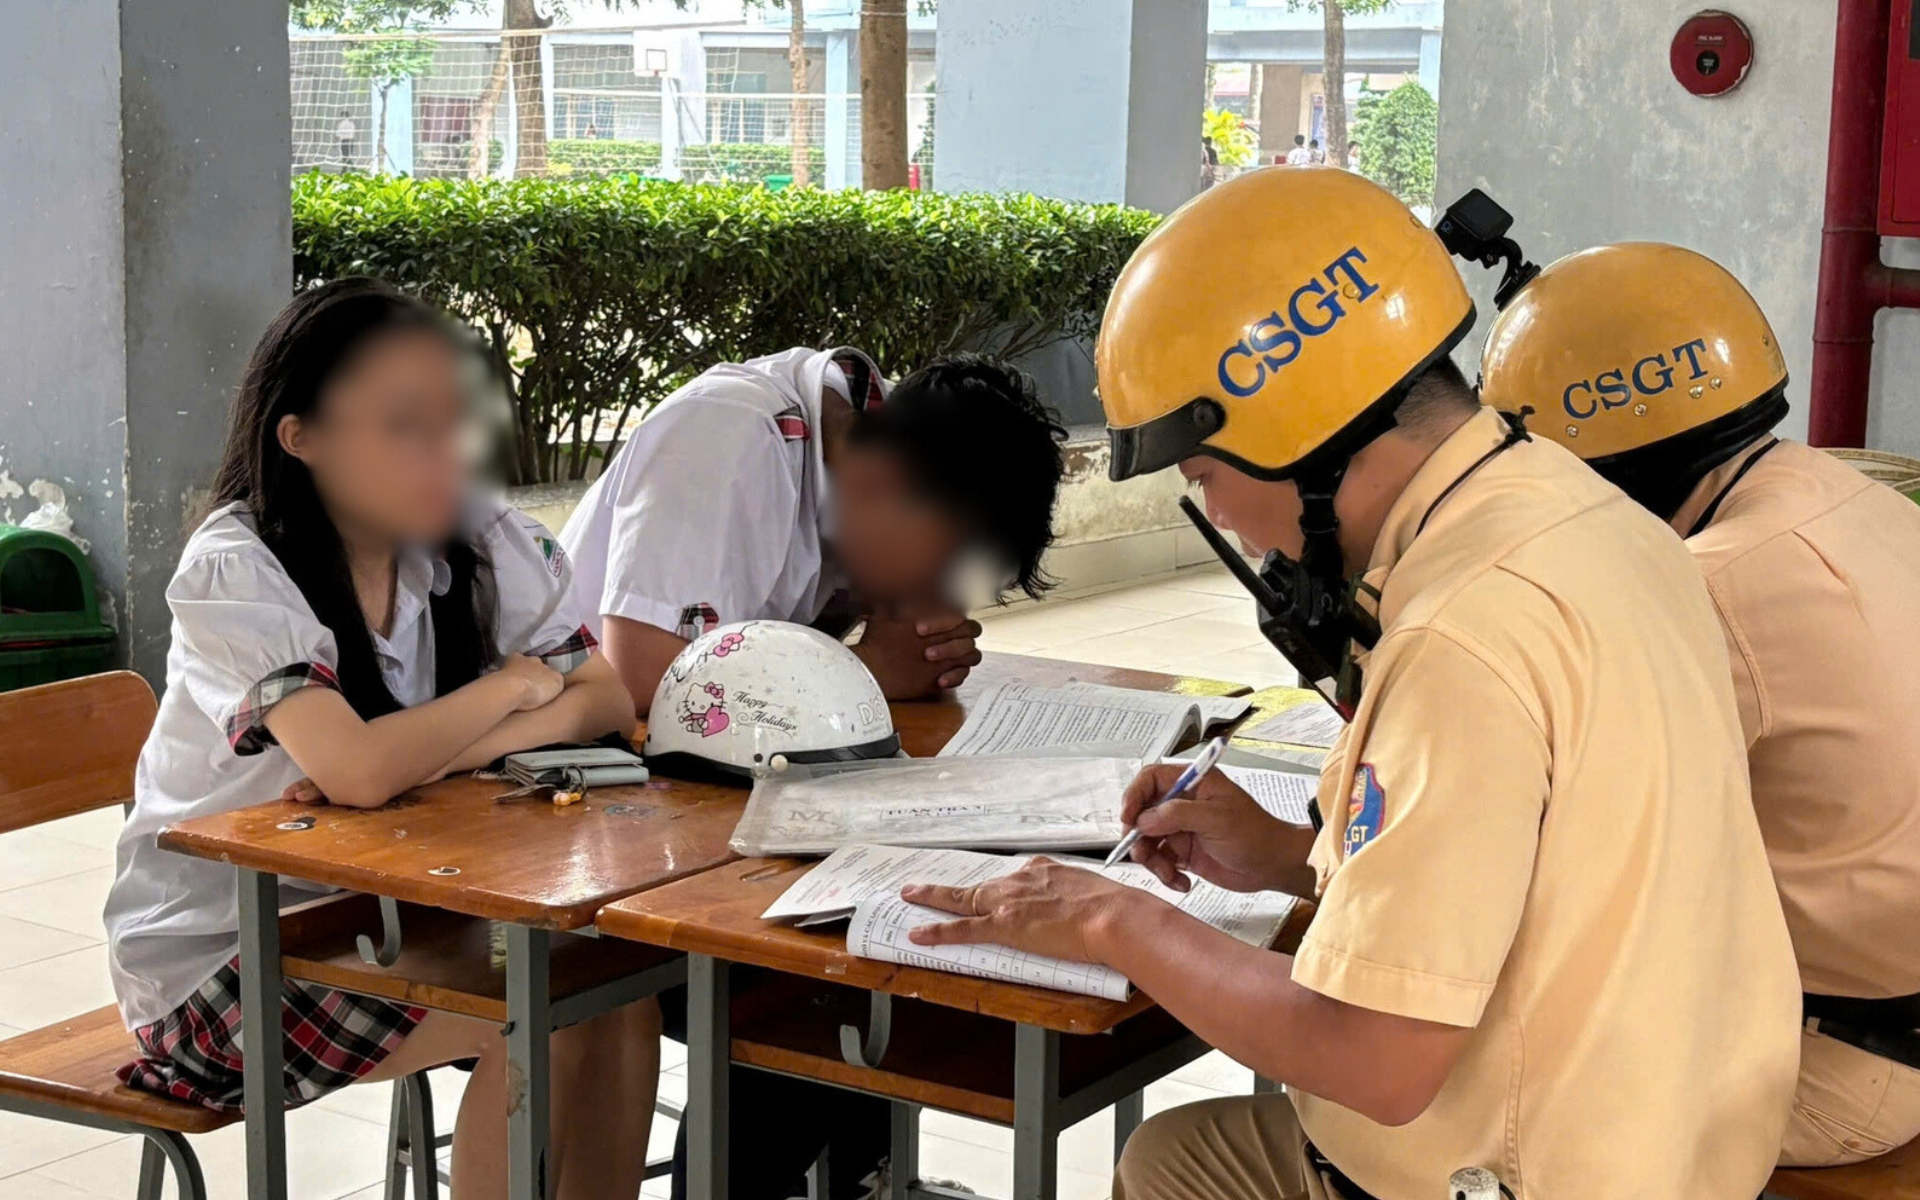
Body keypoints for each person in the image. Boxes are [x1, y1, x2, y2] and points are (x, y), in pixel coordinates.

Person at [899, 169, 1801, 1198]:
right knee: (1171, 1158)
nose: (1227, 521)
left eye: (1205, 479)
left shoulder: (1458, 634)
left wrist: (1112, 918)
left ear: (1296, 432)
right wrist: (1288, 854)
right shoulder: (1592, 518)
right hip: (1681, 1139)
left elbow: (1379, 1063)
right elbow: (1544, 878)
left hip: (1529, 1165)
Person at [102, 279, 657, 1200]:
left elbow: (606, 694)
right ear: (301, 438)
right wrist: (515, 686)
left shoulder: (472, 536)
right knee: (542, 1014)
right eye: (405, 425)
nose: (446, 452)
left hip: (391, 913)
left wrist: (436, 746)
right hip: (224, 963)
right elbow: (357, 772)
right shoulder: (239, 570)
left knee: (618, 996)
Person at [1479, 241, 1920, 1169]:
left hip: (1829, 1062)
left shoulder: (1708, 584)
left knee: (1425, 1088)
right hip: (1881, 1024)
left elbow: (1520, 824)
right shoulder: (1852, 497)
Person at [560, 348, 1066, 717]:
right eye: (948, 567)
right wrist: (866, 671)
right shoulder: (726, 436)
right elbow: (644, 677)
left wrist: (916, 653)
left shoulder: (864, 454)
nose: (944, 596)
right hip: (551, 745)